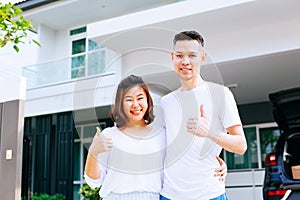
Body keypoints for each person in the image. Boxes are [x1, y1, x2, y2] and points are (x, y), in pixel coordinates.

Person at [84, 74, 227, 200]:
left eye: (140, 98)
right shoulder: (109, 135)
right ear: (120, 104)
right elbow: (94, 181)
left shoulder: (161, 133)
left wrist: (215, 164)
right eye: (128, 99)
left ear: (148, 101)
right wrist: (93, 152)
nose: (135, 105)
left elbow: (183, 159)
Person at [159, 30, 247, 200]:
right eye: (179, 55)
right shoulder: (166, 102)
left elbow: (241, 145)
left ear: (202, 58)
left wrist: (209, 132)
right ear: (172, 57)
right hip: (170, 194)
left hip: (209, 193)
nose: (185, 61)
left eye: (192, 55)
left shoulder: (220, 94)